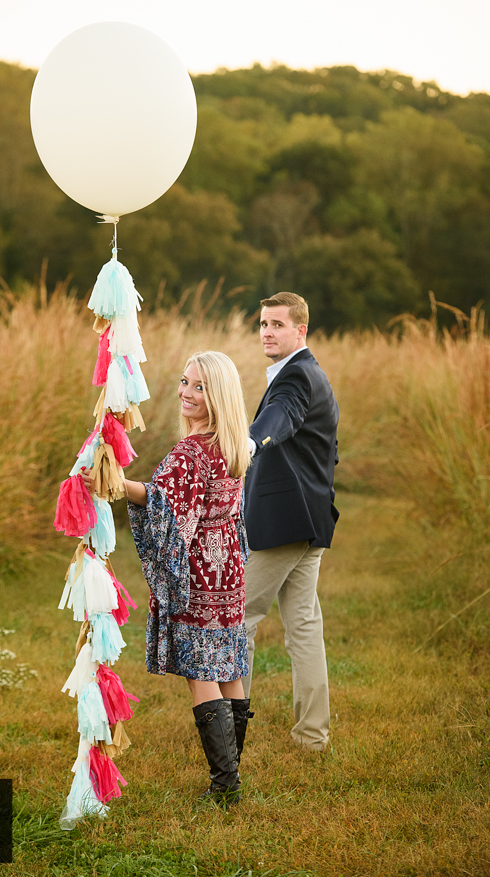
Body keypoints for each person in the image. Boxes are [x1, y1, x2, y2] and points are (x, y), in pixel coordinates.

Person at [123, 351, 253, 801]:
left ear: (217, 395)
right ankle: (232, 774)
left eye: (199, 387)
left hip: (200, 572)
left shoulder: (192, 451)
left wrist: (118, 485)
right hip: (229, 568)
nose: (186, 392)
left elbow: (162, 503)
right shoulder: (232, 443)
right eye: (184, 382)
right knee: (229, 664)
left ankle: (225, 786)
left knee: (203, 672)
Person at [243, 291, 339, 752]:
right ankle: (312, 737)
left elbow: (280, 418)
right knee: (303, 626)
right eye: (263, 324)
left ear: (300, 329)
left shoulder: (296, 378)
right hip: (312, 518)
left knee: (236, 618)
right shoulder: (313, 374)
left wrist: (250, 442)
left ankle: (227, 728)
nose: (267, 332)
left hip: (284, 524)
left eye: (278, 324)